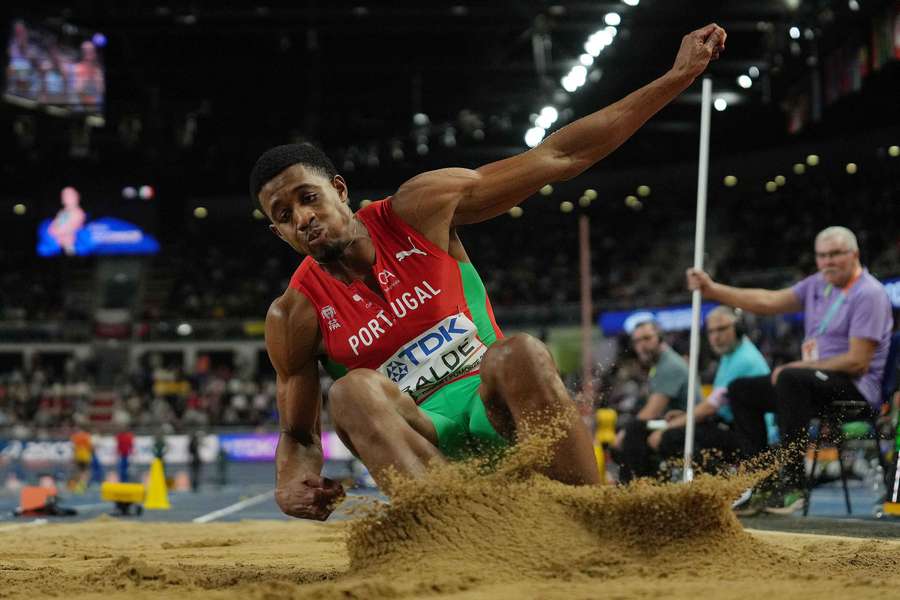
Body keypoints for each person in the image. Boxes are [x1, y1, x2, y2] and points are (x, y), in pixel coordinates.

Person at [253, 24, 727, 520]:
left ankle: (594, 515)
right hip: (422, 445)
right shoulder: (294, 313)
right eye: (283, 216)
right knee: (351, 392)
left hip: (497, 412)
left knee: (518, 351)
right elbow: (299, 435)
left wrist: (677, 77)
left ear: (339, 190)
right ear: (278, 233)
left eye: (309, 199)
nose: (303, 219)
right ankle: (458, 533)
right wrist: (292, 484)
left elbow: (560, 155)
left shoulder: (417, 210)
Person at [687, 226, 893, 513]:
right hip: (811, 384)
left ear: (854, 254)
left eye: (835, 254)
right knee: (742, 390)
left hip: (854, 387)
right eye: (822, 256)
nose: (828, 262)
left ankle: (793, 485)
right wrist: (712, 290)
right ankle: (761, 483)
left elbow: (857, 361)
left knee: (790, 377)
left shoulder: (868, 293)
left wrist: (802, 365)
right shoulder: (817, 284)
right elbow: (768, 301)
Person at [647, 306, 771, 468]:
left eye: (721, 329)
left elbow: (712, 407)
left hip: (752, 435)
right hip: (736, 426)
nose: (715, 337)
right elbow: (717, 405)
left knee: (671, 437)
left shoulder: (743, 359)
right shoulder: (731, 355)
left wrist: (673, 425)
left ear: (739, 328)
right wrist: (685, 416)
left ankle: (718, 482)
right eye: (711, 332)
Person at [614, 320, 701, 482]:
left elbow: (651, 411)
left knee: (633, 431)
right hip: (674, 420)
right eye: (637, 341)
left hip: (691, 423)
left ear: (660, 338)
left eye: (647, 338)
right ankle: (646, 482)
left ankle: (635, 487)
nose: (642, 345)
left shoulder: (669, 365)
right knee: (632, 429)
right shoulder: (660, 364)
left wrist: (624, 434)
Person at [48, 187, 86, 255]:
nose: (66, 198)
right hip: (57, 246)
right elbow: (51, 229)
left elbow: (70, 229)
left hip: (71, 247)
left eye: (70, 195)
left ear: (77, 197)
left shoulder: (79, 213)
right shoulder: (62, 213)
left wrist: (59, 230)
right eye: (64, 196)